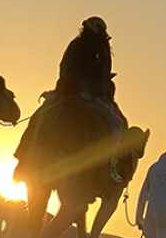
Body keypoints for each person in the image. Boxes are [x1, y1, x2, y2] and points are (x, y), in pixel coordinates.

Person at [14, 17, 127, 181]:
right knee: (117, 124)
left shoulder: (79, 46)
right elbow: (99, 73)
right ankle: (112, 168)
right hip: (85, 93)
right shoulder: (96, 49)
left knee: (40, 116)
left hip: (68, 90)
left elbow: (64, 67)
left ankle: (23, 160)